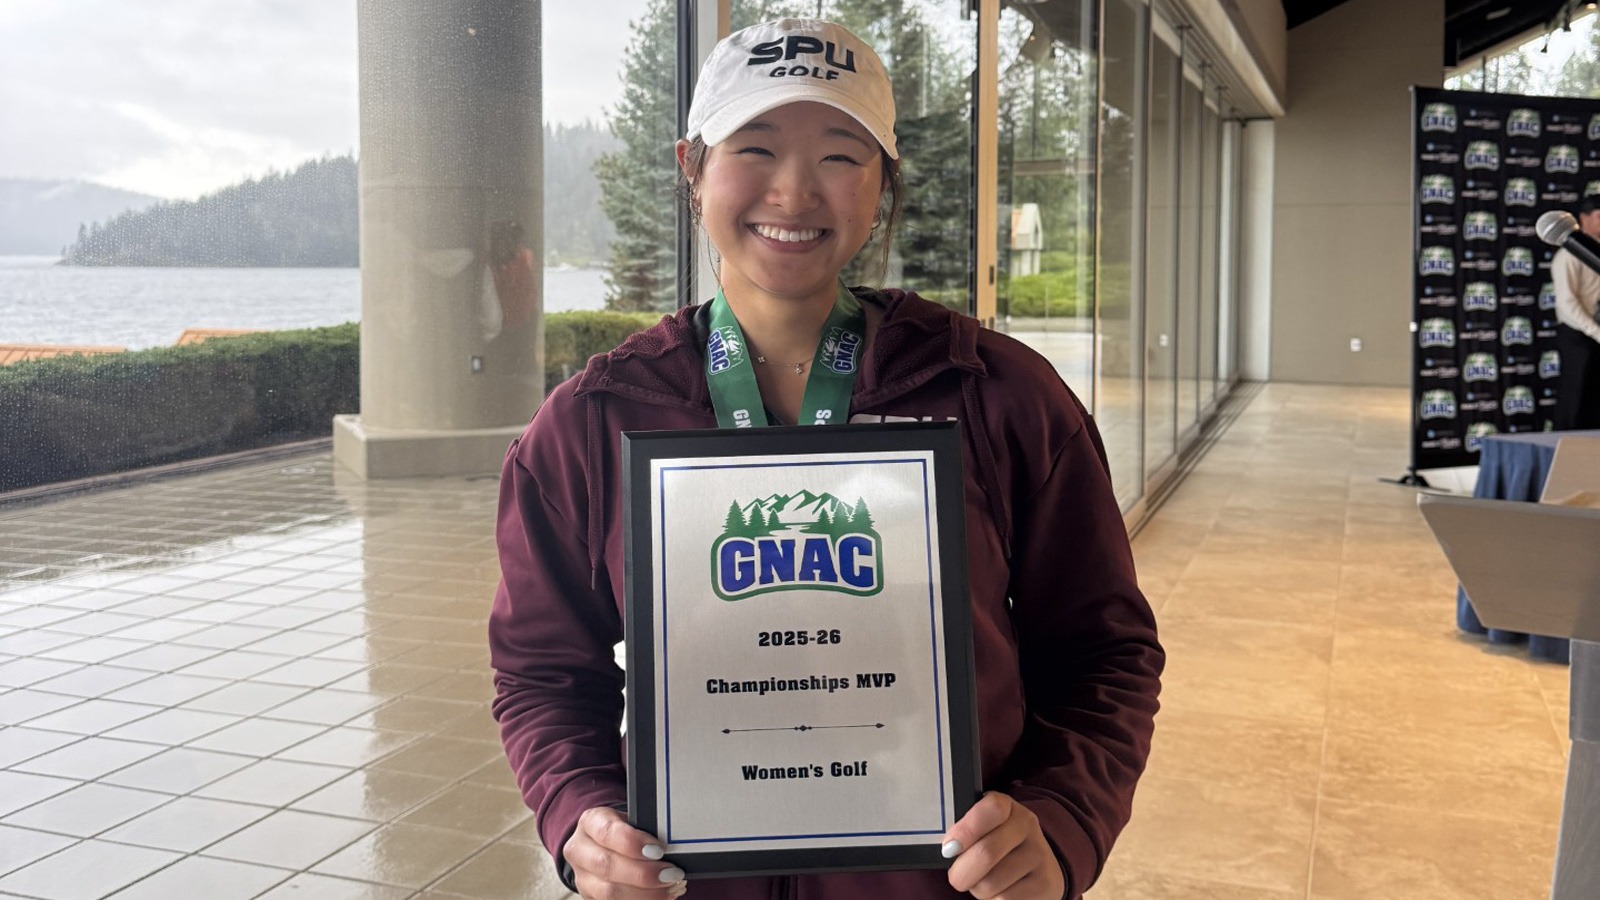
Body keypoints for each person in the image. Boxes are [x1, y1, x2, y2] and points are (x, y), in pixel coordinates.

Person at [489, 18, 1162, 900]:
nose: (796, 191)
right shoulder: (590, 424)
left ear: (883, 185)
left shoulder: (1002, 398)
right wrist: (579, 815)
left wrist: (1064, 817)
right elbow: (542, 673)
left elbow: (1104, 654)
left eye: (842, 156)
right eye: (755, 148)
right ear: (692, 169)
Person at [1553, 194, 1600, 430]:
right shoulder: (1569, 255)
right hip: (1577, 334)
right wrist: (1595, 331)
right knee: (1576, 397)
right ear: (1583, 219)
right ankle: (1565, 455)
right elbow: (1567, 303)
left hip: (1597, 333)